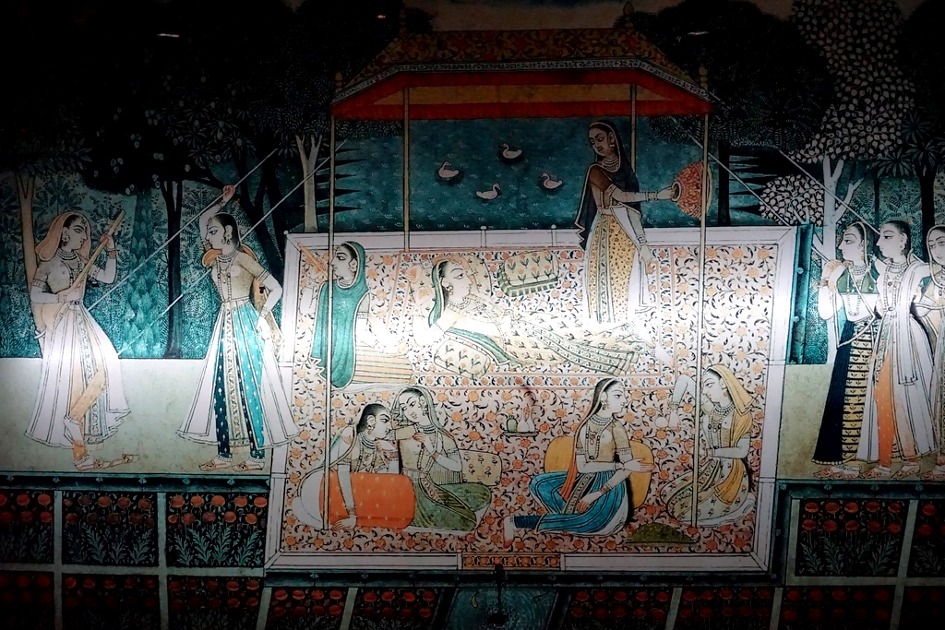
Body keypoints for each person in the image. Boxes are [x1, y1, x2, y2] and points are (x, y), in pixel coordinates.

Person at [178, 185, 298, 472]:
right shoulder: (214, 257)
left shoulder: (243, 258)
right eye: (209, 233)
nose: (209, 236)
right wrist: (224, 201)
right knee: (220, 387)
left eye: (214, 232)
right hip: (224, 323)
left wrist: (262, 316)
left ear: (228, 233)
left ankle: (256, 455)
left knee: (250, 388)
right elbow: (202, 221)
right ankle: (224, 453)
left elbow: (276, 288)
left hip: (246, 321)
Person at [414, 256, 644, 376]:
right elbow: (424, 339)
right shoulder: (450, 315)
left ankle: (617, 329)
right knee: (565, 338)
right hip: (514, 341)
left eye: (465, 274)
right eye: (459, 276)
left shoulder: (472, 299)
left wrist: (517, 317)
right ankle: (620, 337)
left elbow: (499, 310)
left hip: (520, 324)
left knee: (562, 324)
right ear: (444, 283)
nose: (467, 279)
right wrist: (417, 316)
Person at [26, 212, 132, 471]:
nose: (84, 236)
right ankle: (80, 456)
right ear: (63, 233)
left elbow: (107, 277)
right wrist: (62, 297)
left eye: (85, 231)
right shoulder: (49, 263)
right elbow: (35, 294)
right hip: (64, 325)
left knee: (107, 367)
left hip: (83, 320)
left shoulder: (83, 260)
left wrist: (111, 251)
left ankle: (73, 418)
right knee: (72, 382)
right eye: (78, 230)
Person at [503, 378, 654, 543]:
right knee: (539, 484)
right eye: (618, 395)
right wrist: (620, 464)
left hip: (611, 485)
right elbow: (583, 467)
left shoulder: (616, 428)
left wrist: (597, 494)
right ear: (603, 397)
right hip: (587, 477)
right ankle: (569, 517)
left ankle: (518, 522)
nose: (624, 400)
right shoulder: (585, 427)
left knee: (592, 522)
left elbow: (627, 469)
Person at [574, 120, 676, 323]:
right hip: (607, 230)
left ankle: (625, 325)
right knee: (607, 280)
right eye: (593, 142)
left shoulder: (627, 173)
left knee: (627, 279)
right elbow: (621, 197)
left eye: (600, 139)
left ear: (612, 139)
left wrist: (643, 243)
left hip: (626, 232)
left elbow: (633, 211)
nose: (597, 145)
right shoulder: (595, 170)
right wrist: (657, 195)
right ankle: (606, 325)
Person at [858, 220, 935, 479]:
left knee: (906, 397)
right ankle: (885, 460)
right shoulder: (884, 271)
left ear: (903, 240)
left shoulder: (917, 269)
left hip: (907, 337)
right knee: (882, 396)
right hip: (887, 334)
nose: (880, 243)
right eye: (880, 237)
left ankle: (911, 459)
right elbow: (880, 307)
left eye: (887, 236)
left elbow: (934, 272)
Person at [811, 222, 880, 478]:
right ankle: (839, 459)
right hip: (850, 338)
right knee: (842, 398)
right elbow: (825, 312)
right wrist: (825, 279)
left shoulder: (880, 271)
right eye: (842, 240)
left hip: (875, 337)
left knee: (869, 399)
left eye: (848, 240)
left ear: (864, 244)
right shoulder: (841, 273)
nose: (841, 246)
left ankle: (862, 460)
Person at [300, 241, 406, 389]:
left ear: (354, 264)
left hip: (346, 354)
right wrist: (311, 282)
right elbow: (305, 311)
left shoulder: (362, 294)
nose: (332, 262)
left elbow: (361, 332)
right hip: (326, 352)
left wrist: (383, 345)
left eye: (340, 257)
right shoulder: (326, 287)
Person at [663, 365, 755, 526]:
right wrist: (673, 411)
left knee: (683, 512)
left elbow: (742, 451)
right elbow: (684, 380)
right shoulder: (712, 410)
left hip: (730, 475)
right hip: (710, 468)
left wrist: (712, 452)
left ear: (724, 384)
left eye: (709, 385)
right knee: (668, 495)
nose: (704, 391)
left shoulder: (741, 415)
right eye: (704, 386)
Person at [393, 386, 492, 532]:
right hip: (410, 488)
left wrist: (432, 450)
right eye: (404, 408)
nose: (408, 411)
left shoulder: (442, 436)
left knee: (483, 494)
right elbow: (383, 439)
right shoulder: (404, 432)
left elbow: (457, 466)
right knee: (467, 521)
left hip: (429, 485)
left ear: (423, 402)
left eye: (411, 404)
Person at [294, 403, 400, 529]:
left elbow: (390, 483)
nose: (389, 427)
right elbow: (343, 476)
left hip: (348, 497)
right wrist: (352, 514)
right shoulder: (350, 437)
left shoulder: (377, 446)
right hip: (322, 489)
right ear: (371, 421)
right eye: (385, 420)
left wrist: (393, 452)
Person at [917, 225, 945, 479]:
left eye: (942, 242)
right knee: (940, 399)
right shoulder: (937, 279)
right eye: (932, 245)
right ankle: (942, 460)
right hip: (943, 348)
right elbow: (922, 309)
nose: (937, 249)